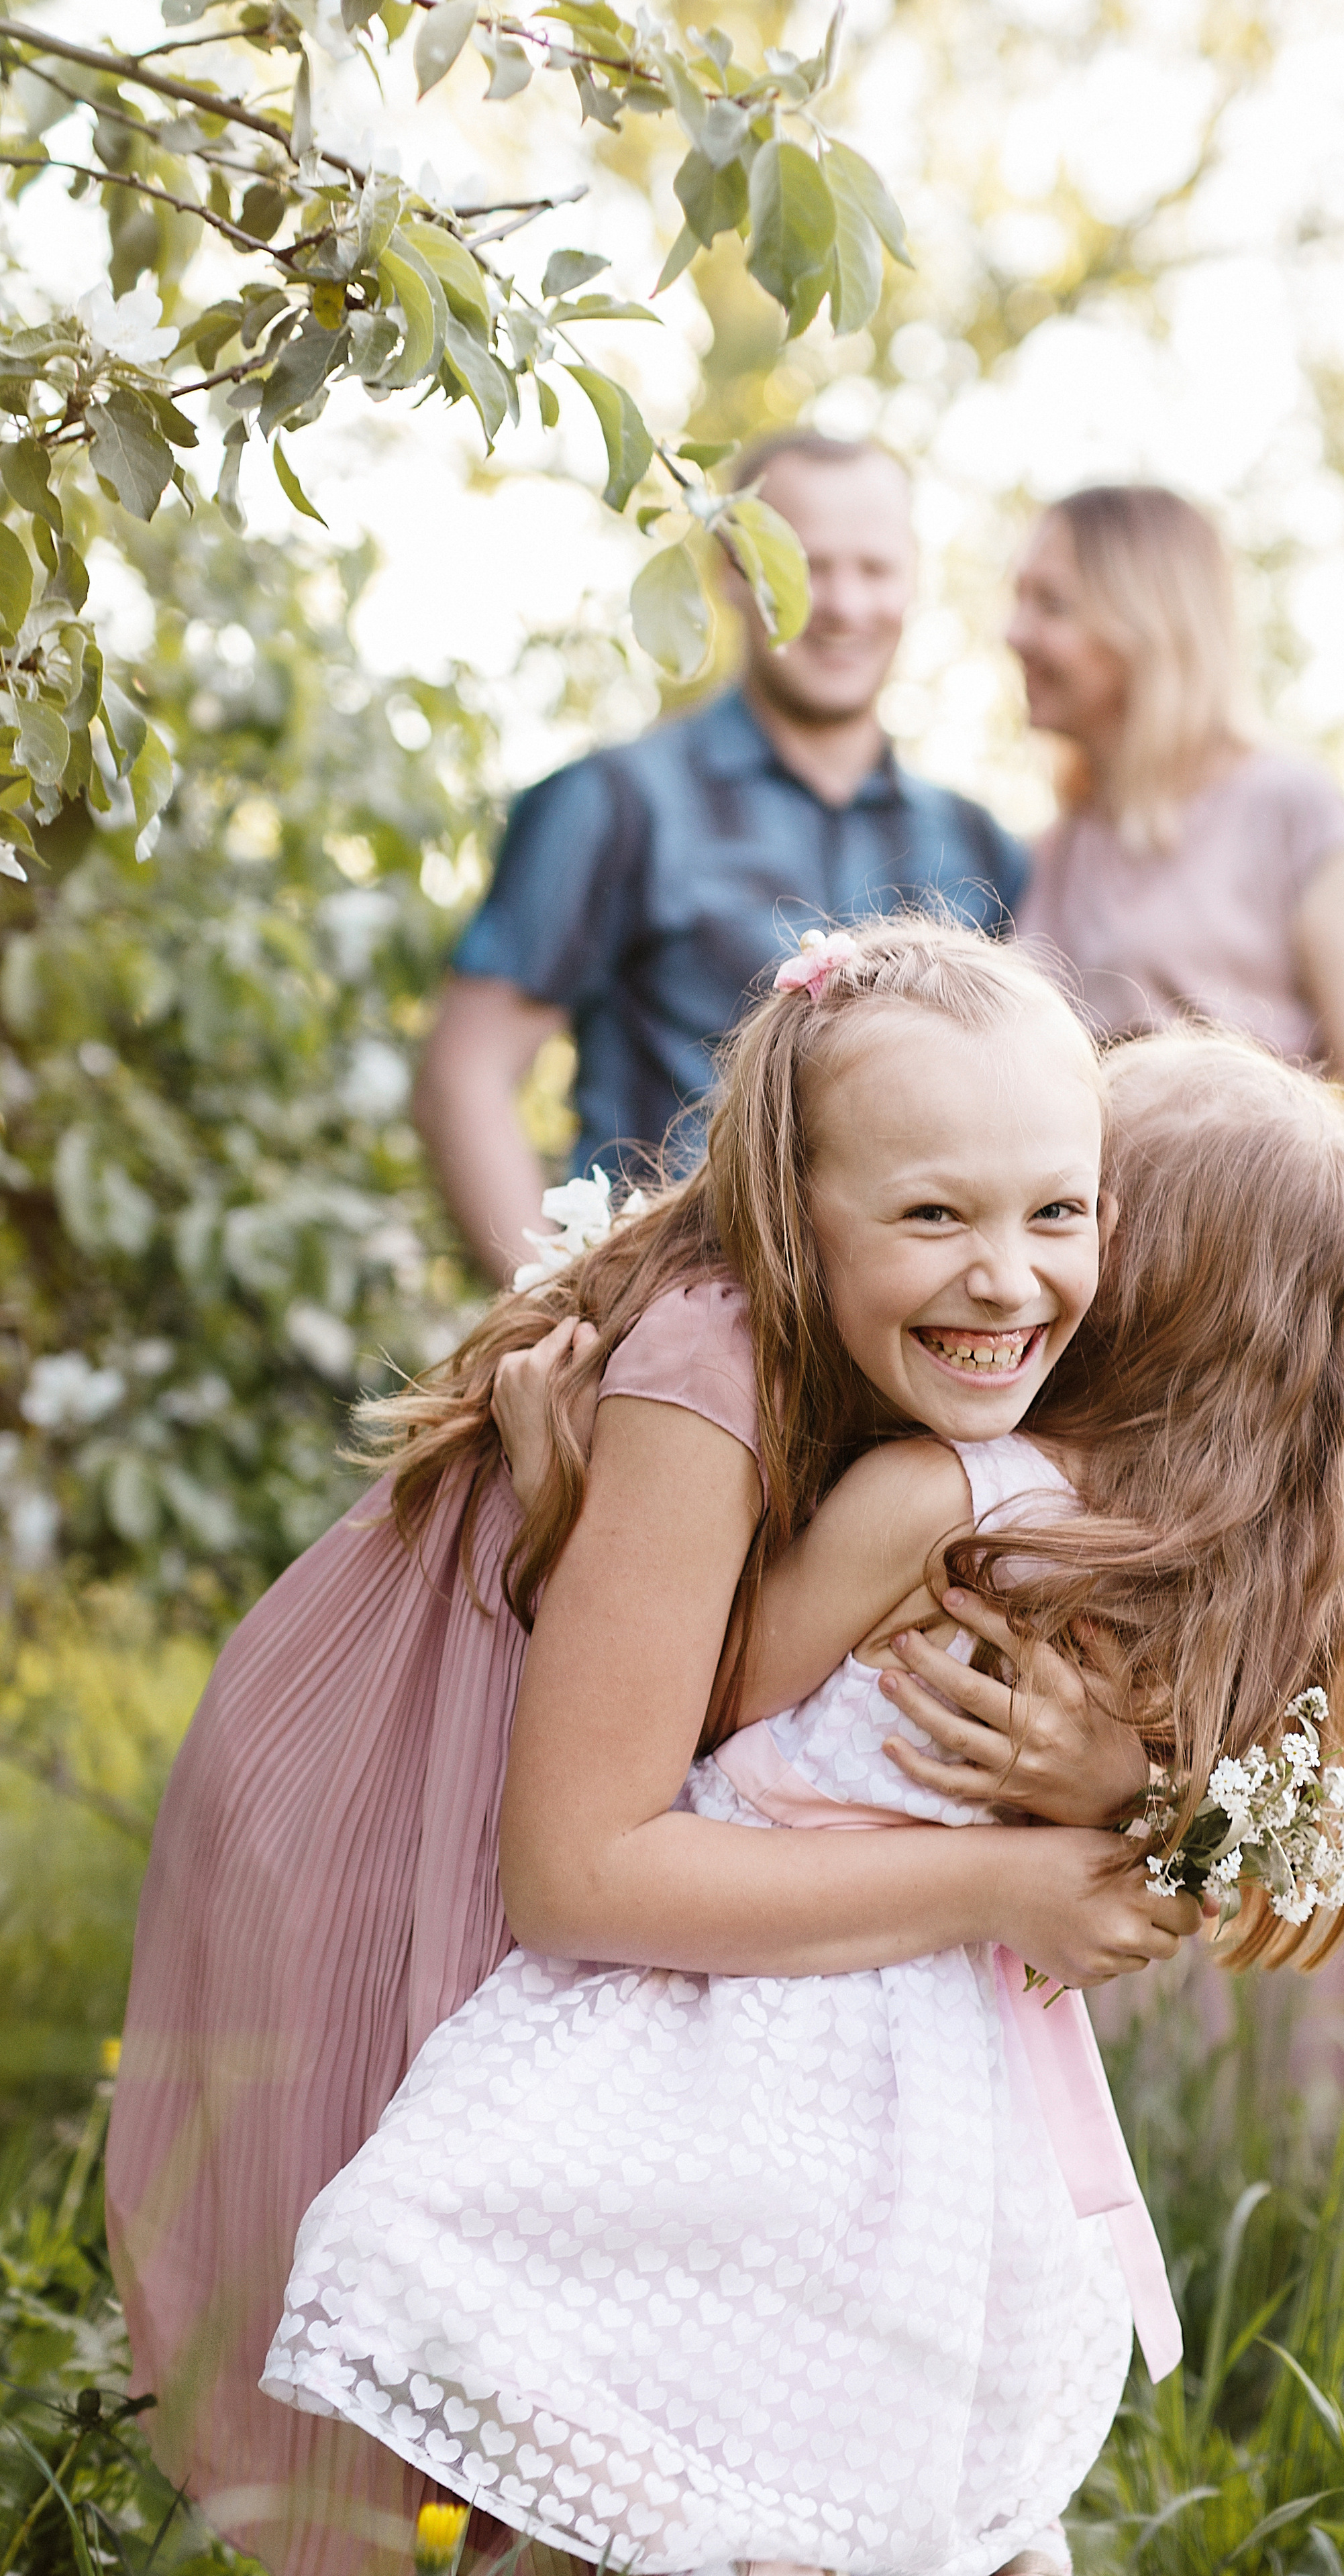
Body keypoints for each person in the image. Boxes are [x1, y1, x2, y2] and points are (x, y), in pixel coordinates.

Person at [108, 918, 1203, 2576]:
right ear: (793, 1215)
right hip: (398, 1799)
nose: (1006, 1274)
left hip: (627, 1780)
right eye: (930, 1215)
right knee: (549, 2366)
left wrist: (1102, 1782)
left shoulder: (980, 1360)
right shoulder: (715, 1362)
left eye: (1054, 1210)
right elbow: (580, 1870)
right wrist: (1002, 1876)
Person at [260, 1027, 1344, 2576]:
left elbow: (712, 1701)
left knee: (636, 2444)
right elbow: (1251, 1839)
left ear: (1128, 1274)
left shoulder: (935, 1493)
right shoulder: (1205, 1563)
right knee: (878, 2476)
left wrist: (566, 1511)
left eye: (1065, 1200)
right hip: (952, 2100)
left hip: (763, 2038)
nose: (1009, 1250)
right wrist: (1125, 1794)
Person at [1002, 482, 1344, 2186]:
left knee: (1337, 1751)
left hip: (1295, 1372)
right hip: (1140, 1386)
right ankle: (1184, 2163)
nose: (1013, 634)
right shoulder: (1072, 839)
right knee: (1162, 1742)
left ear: (1145, 616)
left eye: (1047, 602)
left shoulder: (1293, 814)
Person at [414, 432, 1027, 1283]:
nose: (843, 603)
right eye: (804, 565)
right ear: (731, 574)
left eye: (875, 568)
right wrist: (553, 1318)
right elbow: (465, 1077)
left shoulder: (983, 845)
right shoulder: (616, 802)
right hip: (667, 1340)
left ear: (914, 579)